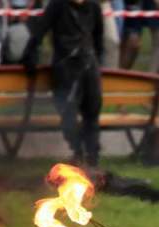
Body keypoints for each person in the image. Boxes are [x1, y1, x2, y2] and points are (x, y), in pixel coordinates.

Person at [23, 0, 104, 167]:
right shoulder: (58, 5)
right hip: (66, 68)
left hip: (88, 67)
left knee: (91, 115)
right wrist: (30, 56)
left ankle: (92, 158)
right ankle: (79, 152)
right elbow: (39, 31)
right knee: (68, 114)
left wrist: (96, 62)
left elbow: (98, 39)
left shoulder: (93, 7)